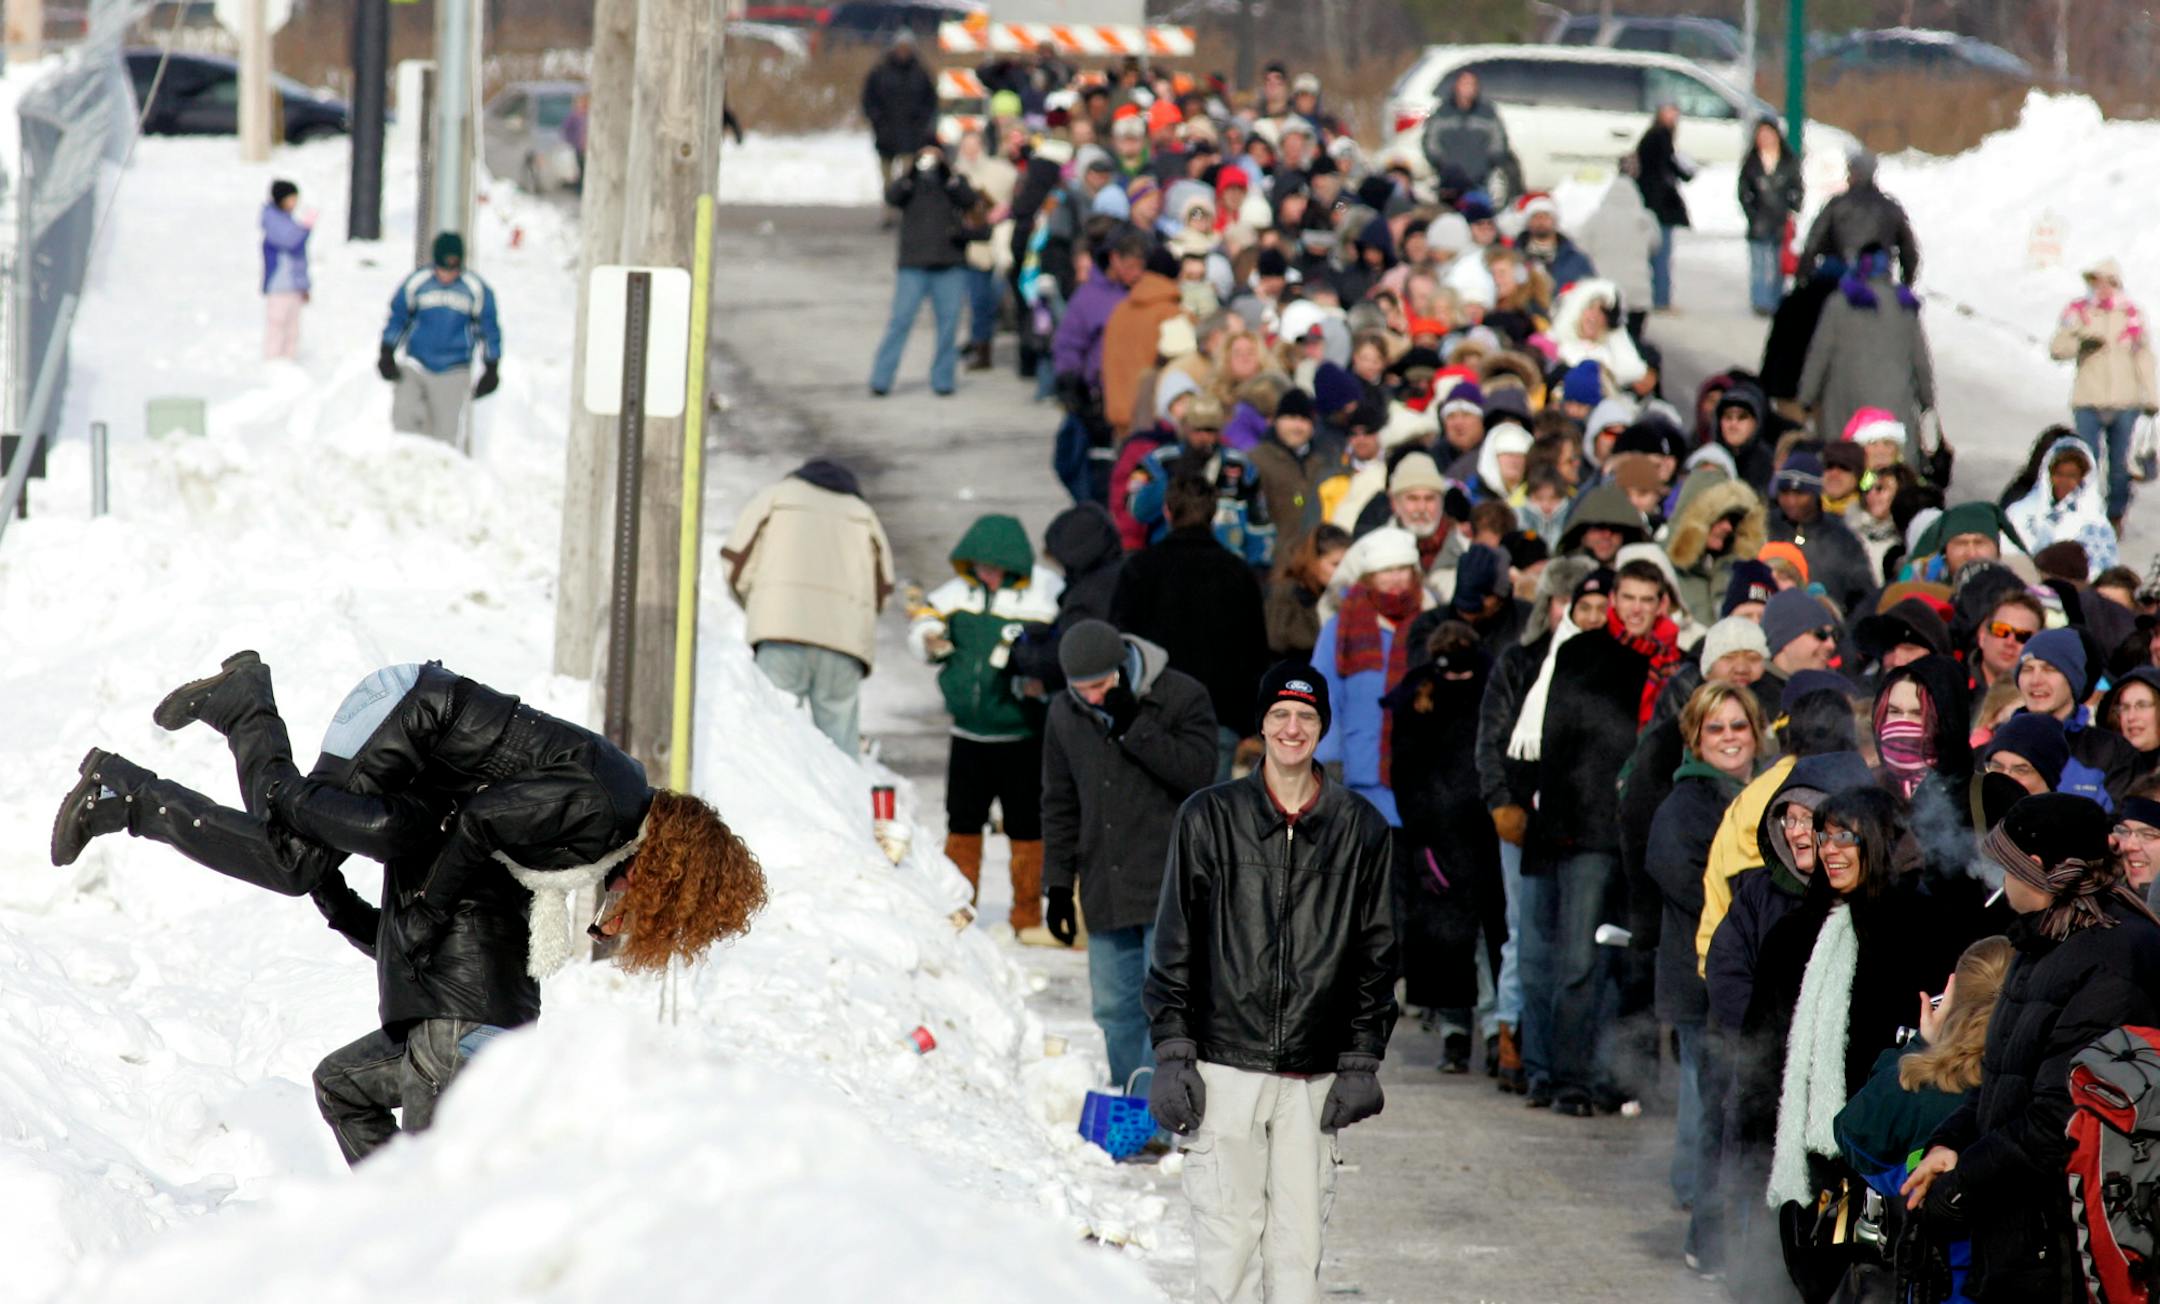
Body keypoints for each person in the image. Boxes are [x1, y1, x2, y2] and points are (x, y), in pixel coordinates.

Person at [50, 654, 766, 1162]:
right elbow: (482, 821)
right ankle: (227, 724)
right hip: (410, 717)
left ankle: (176, 762)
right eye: (660, 916)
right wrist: (424, 912)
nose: (638, 925)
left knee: (311, 876)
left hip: (428, 764)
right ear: (673, 879)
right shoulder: (604, 806)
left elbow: (445, 909)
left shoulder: (590, 839)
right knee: (295, 853)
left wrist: (373, 911)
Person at [1146, 663, 1398, 1304]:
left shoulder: (1360, 828)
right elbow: (1175, 944)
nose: (1293, 728)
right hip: (1225, 1064)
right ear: (1260, 725)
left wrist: (1363, 1057)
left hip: (1312, 1076)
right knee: (1226, 1248)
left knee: (1298, 1250)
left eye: (1307, 717)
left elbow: (1377, 953)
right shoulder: (1208, 818)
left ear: (1323, 729)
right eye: (1281, 715)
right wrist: (1174, 1054)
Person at [1902, 795, 2160, 1302]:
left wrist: (1963, 1180)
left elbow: (2063, 1115)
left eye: (2008, 865)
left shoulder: (2111, 958)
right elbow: (2007, 1076)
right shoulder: (2042, 941)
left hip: (2070, 1244)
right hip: (2020, 1229)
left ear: (2036, 868)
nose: (2001, 878)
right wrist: (1949, 1142)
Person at [1507, 566, 1655, 1114]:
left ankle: (1612, 1077)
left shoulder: (1667, 662)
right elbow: (1558, 744)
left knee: (1623, 966)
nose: (1636, 609)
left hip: (1633, 833)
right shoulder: (1581, 654)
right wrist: (1557, 821)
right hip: (1583, 831)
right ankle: (1568, 1078)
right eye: (1628, 598)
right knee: (1574, 963)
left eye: (1648, 600)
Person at [1040, 620, 1218, 1075]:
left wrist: (1135, 726)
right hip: (1106, 885)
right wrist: (1059, 885)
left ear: (1121, 668)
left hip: (1169, 883)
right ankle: (1130, 1106)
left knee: (1166, 1009)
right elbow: (1060, 803)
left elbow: (1199, 776)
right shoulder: (1064, 712)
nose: (1092, 699)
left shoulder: (1180, 696)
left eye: (1100, 687)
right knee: (1115, 1012)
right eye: (1082, 690)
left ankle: (1157, 1116)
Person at [1646, 681, 1765, 1244]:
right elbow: (1692, 889)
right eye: (1715, 728)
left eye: (1738, 726)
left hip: (1745, 976)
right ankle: (1702, 1211)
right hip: (1698, 979)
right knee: (1705, 1098)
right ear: (1694, 737)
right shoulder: (1684, 805)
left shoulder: (1766, 796)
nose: (1729, 738)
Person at [1833, 935, 2013, 1304]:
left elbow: (1853, 1139)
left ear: (1953, 995)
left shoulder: (1923, 1086)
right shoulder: (2037, 1082)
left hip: (1936, 1279)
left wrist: (1920, 1046)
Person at [909, 514, 1062, 932]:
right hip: (968, 736)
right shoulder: (957, 594)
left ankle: (1027, 913)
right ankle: (961, 908)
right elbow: (924, 616)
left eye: (995, 567)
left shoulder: (1045, 595)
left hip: (1021, 737)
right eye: (980, 566)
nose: (987, 574)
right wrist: (928, 639)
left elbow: (1060, 648)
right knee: (962, 822)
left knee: (1027, 826)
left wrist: (1042, 686)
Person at [1387, 619, 1507, 1076]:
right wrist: (1420, 839)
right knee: (1450, 938)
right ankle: (1458, 1033)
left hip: (1484, 828)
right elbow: (1406, 773)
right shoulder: (1418, 696)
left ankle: (1496, 1031)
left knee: (1488, 935)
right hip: (1439, 832)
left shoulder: (1489, 687)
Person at [721, 460, 894, 756]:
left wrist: (760, 606)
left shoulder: (776, 497)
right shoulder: (864, 514)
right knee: (840, 746)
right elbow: (884, 587)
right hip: (843, 645)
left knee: (772, 735)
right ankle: (841, 801)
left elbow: (735, 562)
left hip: (780, 634)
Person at [1112, 476, 1272, 780]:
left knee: (1156, 814)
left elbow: (1121, 644)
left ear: (1168, 512)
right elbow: (1255, 651)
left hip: (1152, 712)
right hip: (1218, 715)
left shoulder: (1140, 568)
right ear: (1214, 515)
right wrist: (1249, 719)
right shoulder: (1238, 573)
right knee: (1208, 817)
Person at [1314, 528, 1431, 826]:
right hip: (1359, 774)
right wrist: (1328, 763)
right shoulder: (1341, 628)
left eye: (1402, 569)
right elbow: (1324, 695)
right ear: (1369, 577)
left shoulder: (1432, 624)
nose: (1395, 579)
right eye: (1385, 571)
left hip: (1422, 774)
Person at [1799, 247, 1937, 464]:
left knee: (1848, 462)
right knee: (1893, 464)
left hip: (1844, 402)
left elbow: (1820, 353)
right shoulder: (1903, 305)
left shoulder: (1840, 302)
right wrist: (1927, 399)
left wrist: (1806, 397)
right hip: (1895, 403)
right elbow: (1920, 358)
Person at [2050, 257, 2156, 533]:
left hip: (2125, 401)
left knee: (2121, 466)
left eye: (2107, 282)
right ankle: (2087, 512)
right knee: (2087, 462)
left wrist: (2153, 395)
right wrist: (2081, 340)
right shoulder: (2079, 312)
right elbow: (2057, 349)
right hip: (2088, 399)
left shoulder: (2131, 314)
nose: (2101, 288)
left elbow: (2143, 356)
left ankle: (2115, 515)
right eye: (2096, 282)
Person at [869, 144, 978, 399]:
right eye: (925, 156)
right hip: (913, 265)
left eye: (934, 156)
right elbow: (892, 197)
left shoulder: (952, 181)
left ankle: (943, 380)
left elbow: (969, 200)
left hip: (949, 264)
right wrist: (910, 174)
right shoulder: (910, 182)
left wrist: (947, 173)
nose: (929, 162)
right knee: (900, 322)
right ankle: (881, 379)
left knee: (948, 326)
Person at [378, 232, 500, 454]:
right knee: (405, 423)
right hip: (416, 364)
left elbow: (489, 330)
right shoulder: (417, 283)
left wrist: (492, 367)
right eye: (443, 269)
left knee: (444, 439)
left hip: (454, 368)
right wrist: (387, 351)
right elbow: (398, 318)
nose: (446, 275)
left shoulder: (475, 289)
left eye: (452, 270)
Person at [1765, 454, 1876, 615]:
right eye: (1785, 493)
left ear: (1815, 493)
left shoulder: (1840, 538)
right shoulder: (1766, 528)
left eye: (1799, 494)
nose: (1791, 501)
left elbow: (1863, 592)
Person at [1798, 150, 1919, 286]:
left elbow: (1814, 241)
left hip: (1838, 277)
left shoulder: (1837, 204)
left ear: (1852, 173)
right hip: (1878, 279)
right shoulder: (1890, 207)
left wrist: (1804, 276)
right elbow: (1909, 251)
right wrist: (1907, 282)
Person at [2004, 432, 2119, 573]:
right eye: (2058, 474)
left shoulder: (2096, 523)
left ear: (2083, 479)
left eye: (2072, 476)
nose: (2064, 482)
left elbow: (2103, 571)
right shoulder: (2020, 512)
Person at [860, 30, 937, 228]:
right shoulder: (880, 72)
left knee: (909, 178)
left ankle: (907, 214)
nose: (903, 51)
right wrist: (878, 122)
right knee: (887, 179)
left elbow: (930, 102)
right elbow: (869, 101)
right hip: (886, 134)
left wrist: (922, 126)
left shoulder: (920, 73)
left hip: (911, 136)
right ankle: (888, 212)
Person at [1737, 120, 1803, 317]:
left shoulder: (1788, 162)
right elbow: (1743, 191)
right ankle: (1760, 303)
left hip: (1780, 221)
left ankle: (1775, 301)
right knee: (1759, 265)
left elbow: (1798, 189)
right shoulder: (1752, 162)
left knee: (1777, 265)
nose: (1765, 139)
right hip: (1758, 220)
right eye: (1761, 135)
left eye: (1769, 134)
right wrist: (1751, 214)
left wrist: (1793, 208)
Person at [1632, 103, 1692, 313]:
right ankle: (1660, 299)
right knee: (1661, 253)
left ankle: (1659, 297)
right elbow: (1666, 167)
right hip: (1659, 206)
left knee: (1657, 253)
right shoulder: (1659, 136)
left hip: (1653, 203)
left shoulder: (1654, 136)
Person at [1420, 70, 1511, 197]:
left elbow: (1499, 142)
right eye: (1465, 84)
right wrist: (1441, 164)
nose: (1468, 89)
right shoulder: (1442, 112)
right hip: (1449, 183)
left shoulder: (1488, 113)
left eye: (1472, 84)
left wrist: (1487, 164)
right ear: (1456, 86)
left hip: (1480, 182)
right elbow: (1430, 141)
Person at [1264, 523, 1348, 661]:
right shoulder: (1287, 594)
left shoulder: (1346, 593)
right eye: (1335, 564)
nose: (1343, 571)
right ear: (1314, 561)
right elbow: (1276, 641)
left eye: (1347, 563)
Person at [261, 179, 312, 359]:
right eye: (291, 198)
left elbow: (300, 260)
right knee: (277, 324)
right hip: (279, 284)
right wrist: (305, 228)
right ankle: (273, 360)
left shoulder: (289, 221)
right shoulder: (273, 221)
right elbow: (290, 242)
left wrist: (304, 286)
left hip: (294, 285)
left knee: (293, 327)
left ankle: (288, 361)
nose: (295, 203)